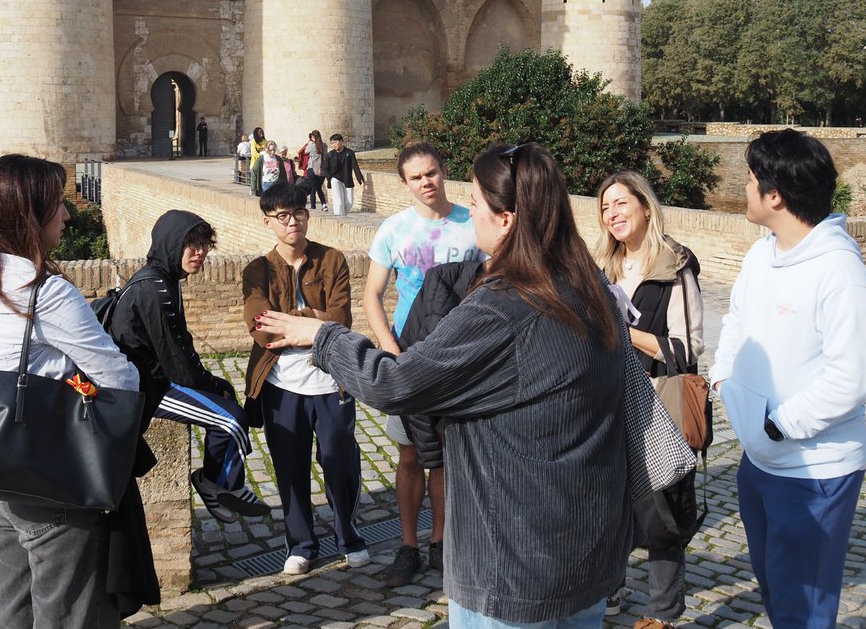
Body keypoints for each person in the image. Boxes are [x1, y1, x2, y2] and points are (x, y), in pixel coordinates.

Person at [260, 143, 631, 628]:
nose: (469, 213)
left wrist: (322, 337)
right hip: (587, 549)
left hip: (513, 564)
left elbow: (395, 384)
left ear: (506, 220)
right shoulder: (593, 289)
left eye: (476, 203)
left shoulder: (502, 307)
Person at [709, 129, 866, 629]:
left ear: (775, 194)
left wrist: (779, 425)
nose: (744, 187)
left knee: (803, 609)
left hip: (814, 470)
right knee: (777, 594)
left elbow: (851, 378)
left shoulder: (839, 272)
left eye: (749, 179)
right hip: (759, 462)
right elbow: (737, 322)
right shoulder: (762, 254)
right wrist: (723, 378)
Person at [0, 154, 140, 629]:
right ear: (28, 215)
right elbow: (118, 378)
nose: (66, 214)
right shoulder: (47, 292)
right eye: (57, 204)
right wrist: (77, 382)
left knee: (10, 607)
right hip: (50, 477)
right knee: (64, 613)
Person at [363, 142, 480, 586]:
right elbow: (371, 294)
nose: (427, 182)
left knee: (449, 458)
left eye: (432, 173)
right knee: (410, 455)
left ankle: (442, 541)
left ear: (444, 170)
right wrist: (389, 348)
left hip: (461, 358)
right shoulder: (395, 229)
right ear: (405, 183)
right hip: (410, 354)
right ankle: (408, 544)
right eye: (417, 177)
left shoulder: (473, 225)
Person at [108, 210, 269, 523]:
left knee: (225, 396)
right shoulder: (154, 290)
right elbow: (176, 361)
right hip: (147, 388)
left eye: (204, 245)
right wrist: (208, 382)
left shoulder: (164, 279)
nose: (200, 252)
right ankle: (217, 485)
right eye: (191, 245)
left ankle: (220, 482)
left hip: (159, 376)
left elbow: (180, 347)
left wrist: (212, 382)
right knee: (232, 421)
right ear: (171, 244)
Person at [242, 183, 370, 576]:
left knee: (340, 462)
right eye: (282, 215)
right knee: (289, 467)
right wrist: (315, 319)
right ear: (268, 221)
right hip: (281, 385)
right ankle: (301, 545)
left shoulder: (332, 261)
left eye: (298, 212)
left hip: (331, 381)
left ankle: (348, 536)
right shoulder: (257, 271)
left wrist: (302, 320)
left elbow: (342, 320)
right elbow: (261, 328)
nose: (292, 220)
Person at [596, 170, 705, 628]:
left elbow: (686, 348)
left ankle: (663, 613)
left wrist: (626, 329)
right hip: (611, 400)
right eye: (604, 207)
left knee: (663, 512)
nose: (612, 214)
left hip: (660, 403)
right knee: (610, 505)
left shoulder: (676, 266)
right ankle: (611, 591)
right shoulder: (602, 269)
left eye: (621, 203)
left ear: (645, 205)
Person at [322, 133, 364, 216]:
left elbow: (355, 167)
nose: (334, 145)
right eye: (332, 143)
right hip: (335, 179)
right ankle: (339, 217)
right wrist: (330, 179)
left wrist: (361, 180)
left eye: (336, 142)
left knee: (350, 202)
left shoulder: (349, 153)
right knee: (339, 202)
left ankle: (341, 214)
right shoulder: (330, 155)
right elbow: (325, 169)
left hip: (347, 179)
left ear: (341, 141)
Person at [298, 130, 328, 210]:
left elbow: (304, 151)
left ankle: (313, 207)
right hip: (321, 170)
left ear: (313, 137)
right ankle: (324, 204)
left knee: (313, 189)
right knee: (319, 188)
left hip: (312, 169)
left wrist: (309, 142)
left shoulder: (311, 145)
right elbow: (325, 155)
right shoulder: (324, 145)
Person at [249, 127, 266, 196]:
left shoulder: (265, 141)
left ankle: (261, 192)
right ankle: (253, 191)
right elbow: (254, 153)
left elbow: (267, 150)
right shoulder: (253, 142)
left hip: (263, 164)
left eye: (261, 131)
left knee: (262, 178)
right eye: (259, 132)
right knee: (254, 178)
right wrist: (262, 156)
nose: (260, 133)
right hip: (255, 163)